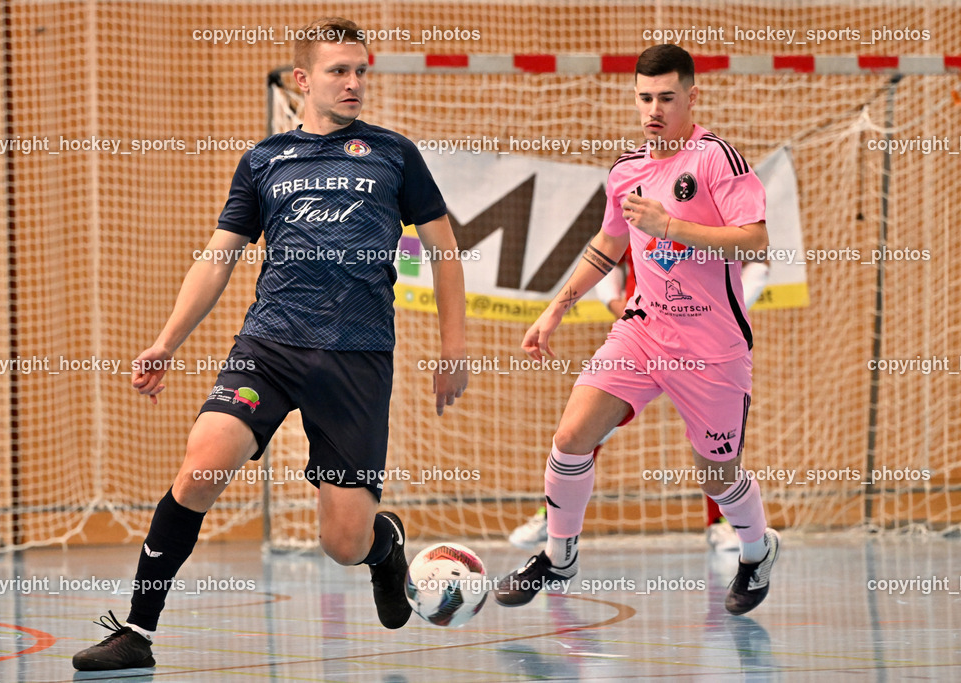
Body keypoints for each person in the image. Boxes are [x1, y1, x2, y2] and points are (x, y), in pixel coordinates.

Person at [73, 17, 468, 671]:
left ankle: (383, 542)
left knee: (343, 541)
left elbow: (444, 248)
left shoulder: (395, 154)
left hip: (357, 358)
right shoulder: (264, 161)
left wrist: (454, 345)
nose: (353, 83)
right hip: (271, 345)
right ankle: (136, 630)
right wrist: (166, 342)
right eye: (339, 71)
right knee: (203, 463)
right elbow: (218, 258)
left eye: (361, 71)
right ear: (302, 80)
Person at [494, 44, 779, 616]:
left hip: (711, 346)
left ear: (691, 97)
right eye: (645, 98)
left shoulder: (717, 158)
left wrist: (671, 224)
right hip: (643, 330)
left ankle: (757, 550)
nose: (654, 109)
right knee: (572, 437)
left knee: (717, 477)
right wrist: (558, 306)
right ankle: (559, 555)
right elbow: (609, 243)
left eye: (666, 98)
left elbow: (755, 240)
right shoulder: (626, 170)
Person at [508, 249, 769, 553]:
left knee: (715, 447)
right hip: (642, 337)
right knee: (582, 431)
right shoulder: (633, 204)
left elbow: (758, 259)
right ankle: (553, 522)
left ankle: (726, 525)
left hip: (706, 346)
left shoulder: (713, 208)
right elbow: (609, 251)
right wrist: (613, 304)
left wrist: (723, 313)